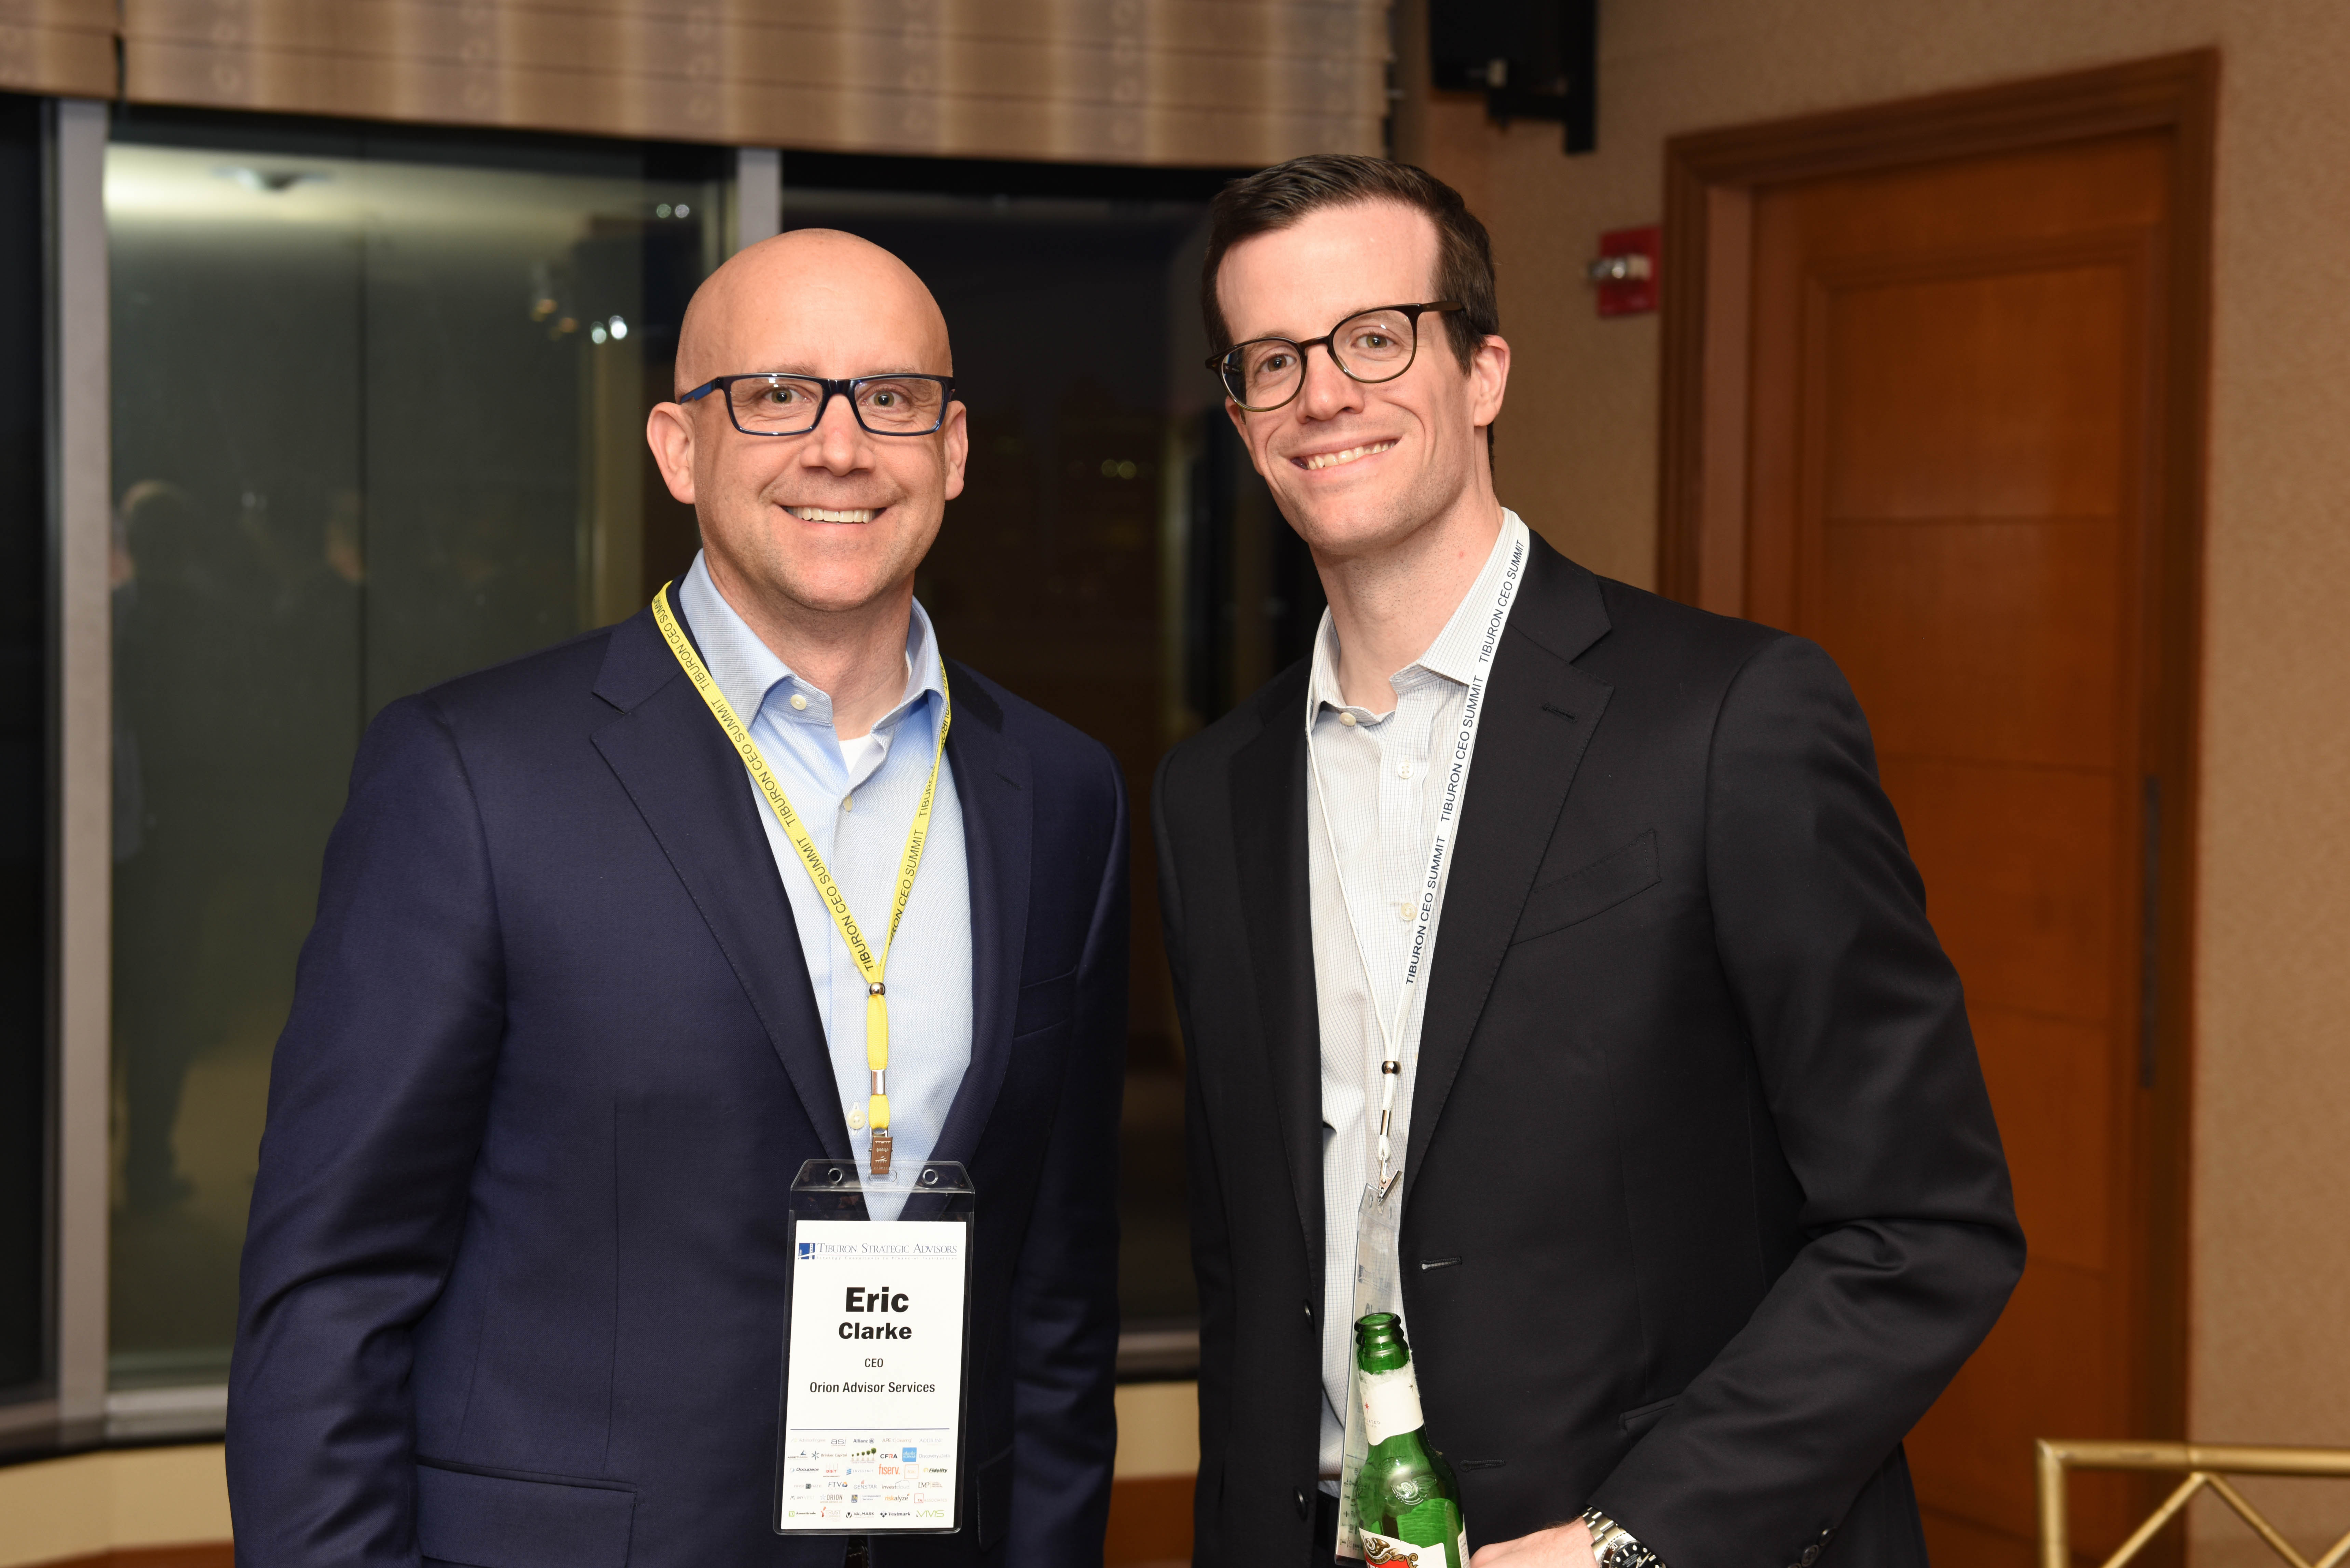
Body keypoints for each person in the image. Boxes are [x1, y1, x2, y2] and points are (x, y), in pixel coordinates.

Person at [1154, 154, 2024, 1568]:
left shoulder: (1729, 718)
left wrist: (1625, 1541)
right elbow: (1245, 1269)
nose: (1322, 394)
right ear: (1245, 417)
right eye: (1273, 360)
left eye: (1374, 338)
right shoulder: (1213, 793)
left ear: (1483, 371)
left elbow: (1925, 1230)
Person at [227, 229, 1128, 1567]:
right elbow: (330, 1295)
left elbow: (1056, 1293)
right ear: (678, 447)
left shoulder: (1057, 789)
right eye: (776, 395)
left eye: (890, 398)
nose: (838, 446)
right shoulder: (473, 777)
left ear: (951, 451)